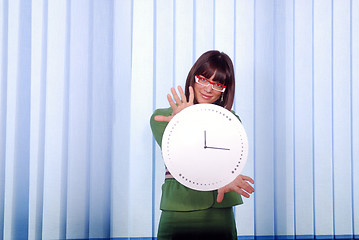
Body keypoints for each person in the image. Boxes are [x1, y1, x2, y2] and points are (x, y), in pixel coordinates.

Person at [150, 50, 255, 240]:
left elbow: (226, 158)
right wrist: (185, 121)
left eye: (218, 84)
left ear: (225, 89)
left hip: (219, 211)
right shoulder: (162, 118)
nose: (208, 89)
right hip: (179, 210)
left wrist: (228, 175)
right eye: (204, 79)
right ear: (193, 78)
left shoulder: (231, 121)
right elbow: (184, 156)